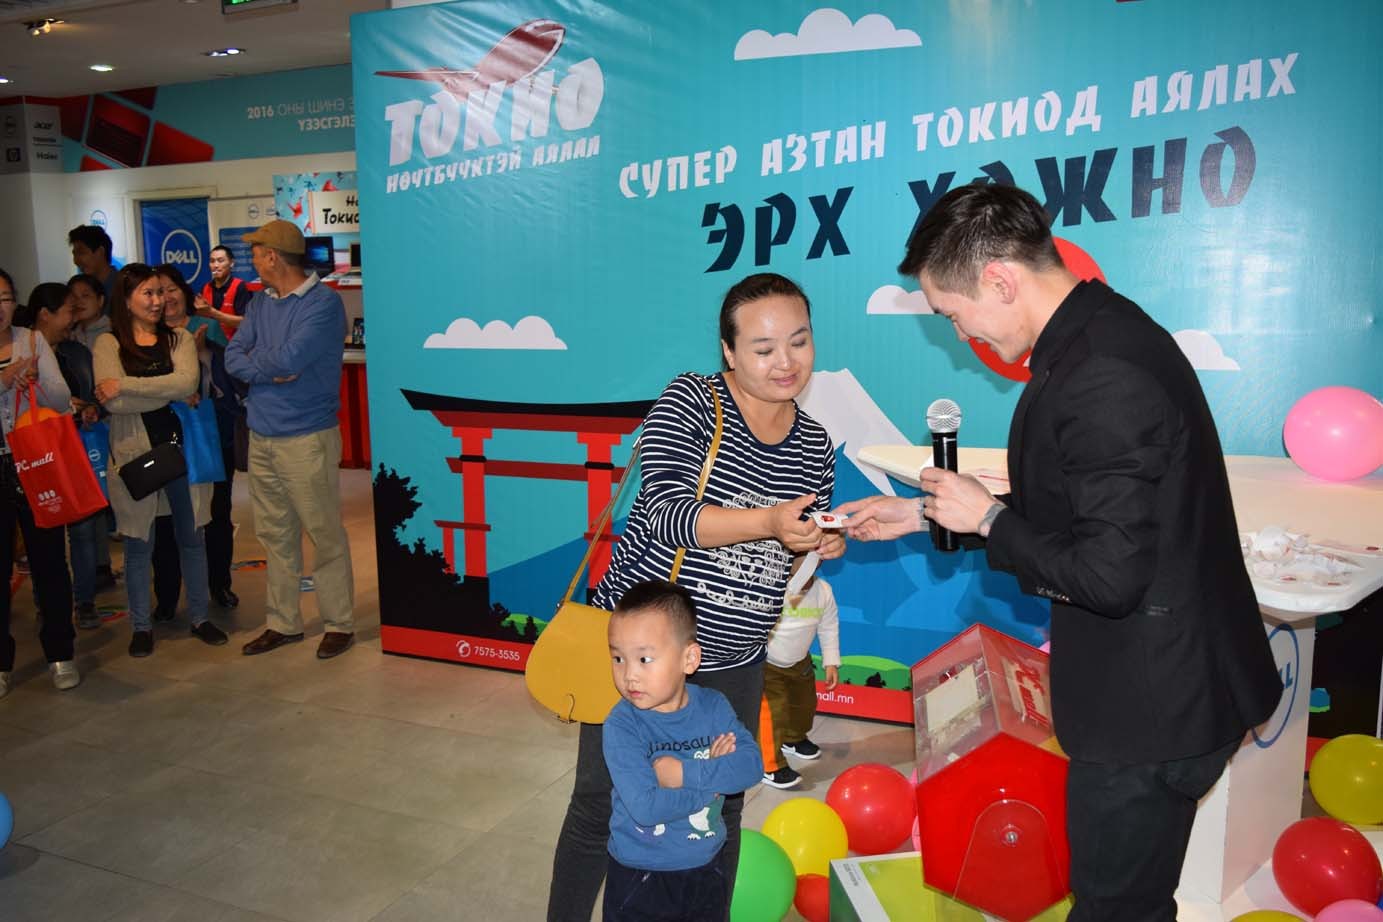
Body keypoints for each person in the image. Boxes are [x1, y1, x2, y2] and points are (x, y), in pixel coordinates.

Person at [837, 182, 1282, 922]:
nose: (960, 335)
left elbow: (1106, 574)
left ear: (999, 280)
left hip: (1152, 706)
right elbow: (1085, 509)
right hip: (1161, 688)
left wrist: (987, 519)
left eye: (953, 314)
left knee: (1115, 907)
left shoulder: (1102, 372)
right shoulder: (1101, 333)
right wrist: (924, 514)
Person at [547, 272, 844, 922]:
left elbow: (790, 542)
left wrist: (818, 541)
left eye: (799, 341)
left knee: (722, 804)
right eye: (763, 348)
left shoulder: (815, 444)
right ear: (729, 351)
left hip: (735, 658)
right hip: (644, 652)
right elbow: (665, 513)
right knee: (601, 802)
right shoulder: (691, 400)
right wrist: (770, 520)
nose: (785, 361)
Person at [224, 219, 355, 660]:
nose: (252, 259)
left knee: (323, 534)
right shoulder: (261, 302)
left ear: (272, 257)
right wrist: (268, 367)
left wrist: (261, 363)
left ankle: (339, 623)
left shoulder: (323, 304)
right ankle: (283, 623)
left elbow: (291, 359)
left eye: (255, 252)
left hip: (307, 437)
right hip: (261, 435)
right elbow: (233, 355)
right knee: (274, 535)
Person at [602, 579, 763, 922]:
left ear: (689, 658)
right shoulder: (621, 725)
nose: (629, 675)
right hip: (639, 876)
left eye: (644, 658)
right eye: (617, 658)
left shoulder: (714, 707)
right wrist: (712, 787)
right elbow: (646, 808)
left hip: (707, 867)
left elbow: (751, 766)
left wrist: (683, 773)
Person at [92, 264, 229, 657]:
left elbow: (186, 382)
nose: (158, 301)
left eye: (160, 292)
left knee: (192, 537)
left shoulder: (179, 338)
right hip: (134, 454)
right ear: (126, 299)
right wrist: (165, 390)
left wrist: (125, 384)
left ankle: (200, 618)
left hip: (183, 452)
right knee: (139, 545)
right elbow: (114, 403)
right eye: (148, 293)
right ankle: (141, 627)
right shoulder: (108, 343)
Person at [0, 268, 81, 696]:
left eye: (5, 298)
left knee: (49, 562)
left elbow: (62, 399)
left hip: (34, 462)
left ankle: (61, 653)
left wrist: (35, 380)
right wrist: (3, 380)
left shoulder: (32, 341)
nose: (0, 307)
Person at [149, 264, 239, 618]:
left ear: (184, 292)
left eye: (171, 288)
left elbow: (228, 381)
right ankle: (167, 595)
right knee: (165, 517)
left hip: (209, 433)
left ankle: (219, 583)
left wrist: (201, 355)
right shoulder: (146, 335)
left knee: (217, 512)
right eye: (157, 291)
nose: (165, 297)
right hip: (163, 437)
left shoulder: (207, 326)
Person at [19, 284, 103, 630]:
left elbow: (91, 394)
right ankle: (49, 604)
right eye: (69, 309)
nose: (75, 316)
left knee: (82, 528)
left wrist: (89, 408)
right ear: (45, 314)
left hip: (73, 449)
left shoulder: (77, 353)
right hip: (35, 455)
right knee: (44, 533)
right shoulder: (22, 352)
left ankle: (84, 601)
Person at [758, 572, 839, 790]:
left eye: (812, 559)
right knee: (773, 713)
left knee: (804, 704)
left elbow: (828, 626)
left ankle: (792, 738)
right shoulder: (775, 587)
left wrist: (831, 662)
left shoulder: (823, 591)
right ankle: (769, 764)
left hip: (800, 661)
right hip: (768, 663)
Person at [67, 273, 118, 596]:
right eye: (73, 296)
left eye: (86, 295)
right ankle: (99, 566)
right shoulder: (66, 337)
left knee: (111, 495)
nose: (78, 301)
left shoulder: (113, 334)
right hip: (79, 432)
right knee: (89, 497)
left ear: (101, 300)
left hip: (111, 426)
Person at [196, 245, 251, 340]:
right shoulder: (205, 288)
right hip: (211, 344)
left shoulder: (240, 287)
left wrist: (213, 313)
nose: (216, 265)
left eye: (220, 261)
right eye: (212, 261)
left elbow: (246, 323)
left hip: (236, 344)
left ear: (231, 263)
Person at [68, 225, 117, 305]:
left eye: (81, 253)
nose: (75, 261)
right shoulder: (78, 289)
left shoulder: (122, 287)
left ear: (100, 252)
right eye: (74, 254)